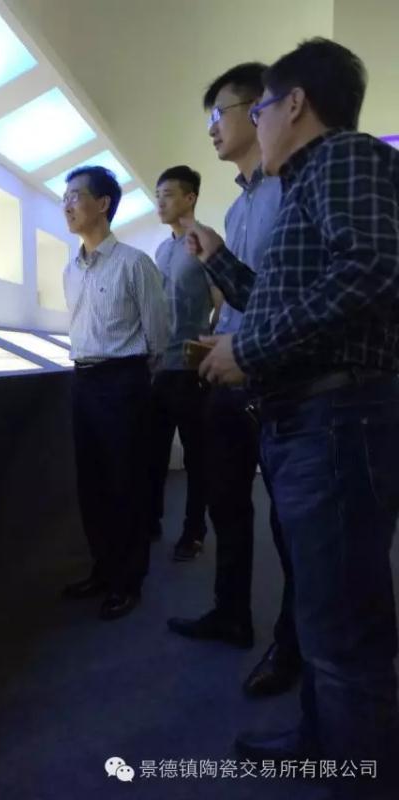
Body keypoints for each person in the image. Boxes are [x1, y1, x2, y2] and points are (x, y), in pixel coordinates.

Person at [190, 38, 399, 796]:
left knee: (343, 631)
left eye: (261, 109)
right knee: (322, 612)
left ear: (295, 104)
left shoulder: (345, 156)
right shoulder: (309, 181)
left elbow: (375, 267)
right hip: (314, 420)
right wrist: (219, 260)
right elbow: (283, 297)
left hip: (336, 418)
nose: (256, 123)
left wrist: (249, 350)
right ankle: (320, 741)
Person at [167, 63, 301, 697]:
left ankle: (293, 645)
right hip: (228, 371)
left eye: (219, 113)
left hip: (274, 372)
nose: (212, 128)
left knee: (289, 520)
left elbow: (283, 299)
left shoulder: (291, 190)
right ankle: (231, 612)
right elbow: (242, 295)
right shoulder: (237, 204)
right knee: (225, 499)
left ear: (260, 109)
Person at [61, 166, 170, 621]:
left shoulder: (134, 264)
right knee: (92, 484)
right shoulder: (70, 269)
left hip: (123, 382)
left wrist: (132, 380)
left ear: (103, 203)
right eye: (65, 197)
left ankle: (128, 581)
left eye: (76, 196)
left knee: (126, 483)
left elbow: (158, 336)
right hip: (83, 381)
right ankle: (103, 569)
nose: (67, 204)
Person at [150, 165, 221, 561]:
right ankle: (151, 520)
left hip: (192, 370)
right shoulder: (162, 250)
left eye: (168, 195)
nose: (160, 203)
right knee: (153, 452)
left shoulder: (205, 242)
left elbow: (221, 302)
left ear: (190, 198)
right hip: (160, 368)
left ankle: (194, 530)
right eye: (157, 196)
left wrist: (209, 348)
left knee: (197, 456)